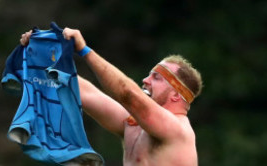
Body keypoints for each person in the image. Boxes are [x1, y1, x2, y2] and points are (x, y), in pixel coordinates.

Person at [20, 27, 203, 166]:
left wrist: (85, 51)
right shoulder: (133, 125)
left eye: (156, 78)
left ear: (175, 96)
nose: (145, 80)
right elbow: (85, 92)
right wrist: (44, 56)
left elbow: (128, 94)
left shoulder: (178, 131)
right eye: (149, 74)